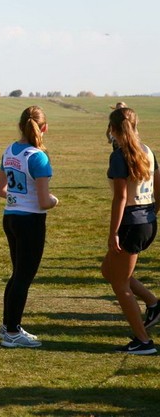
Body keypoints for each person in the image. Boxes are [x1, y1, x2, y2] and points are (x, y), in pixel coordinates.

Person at [0, 105, 58, 348]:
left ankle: (8, 325)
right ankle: (12, 332)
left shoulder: (9, 150)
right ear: (45, 128)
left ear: (20, 126)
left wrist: (18, 196)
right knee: (23, 277)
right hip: (30, 221)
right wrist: (54, 201)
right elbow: (44, 201)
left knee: (17, 274)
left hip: (10, 217)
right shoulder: (38, 157)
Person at [101, 107, 159, 355]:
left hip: (130, 224)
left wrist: (113, 232)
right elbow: (158, 187)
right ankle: (153, 303)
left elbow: (121, 198)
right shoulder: (148, 151)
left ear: (112, 129)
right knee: (108, 270)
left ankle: (143, 341)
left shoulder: (119, 155)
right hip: (147, 220)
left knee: (119, 283)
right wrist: (153, 214)